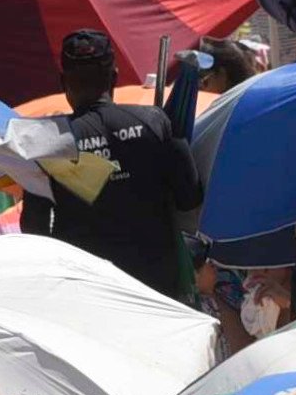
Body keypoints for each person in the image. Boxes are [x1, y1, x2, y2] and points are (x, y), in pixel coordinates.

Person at [18, 29, 203, 301]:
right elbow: (190, 198)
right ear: (114, 76)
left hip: (87, 293)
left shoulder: (48, 141)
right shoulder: (155, 122)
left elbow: (34, 228)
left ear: (62, 82)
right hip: (157, 291)